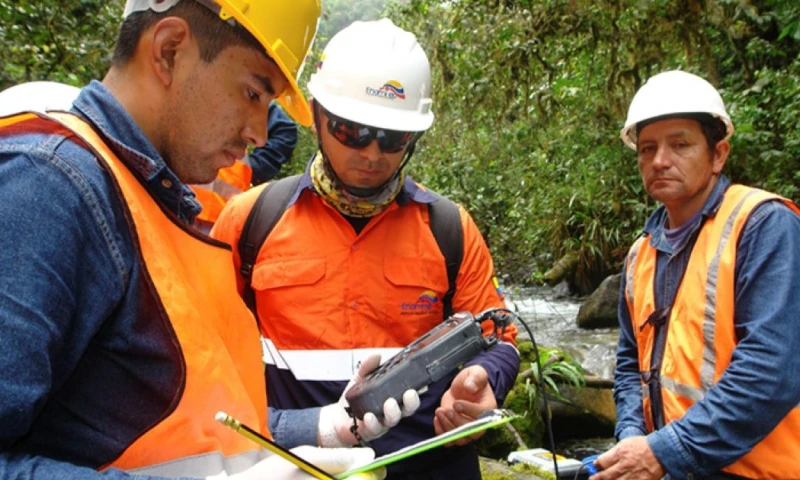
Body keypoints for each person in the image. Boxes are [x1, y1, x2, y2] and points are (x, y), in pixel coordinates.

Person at [0, 0, 386, 478]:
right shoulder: (49, 186)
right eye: (252, 92)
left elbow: (198, 428)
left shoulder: (150, 200)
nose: (260, 134)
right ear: (169, 50)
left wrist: (327, 426)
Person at [211, 18, 520, 480]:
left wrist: (484, 379)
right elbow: (205, 360)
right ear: (317, 114)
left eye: (392, 138)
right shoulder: (250, 222)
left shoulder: (450, 229)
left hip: (430, 467)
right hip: (300, 465)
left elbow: (500, 335)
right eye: (351, 131)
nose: (372, 154)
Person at [593, 70, 800, 480]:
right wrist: (632, 437)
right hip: (676, 467)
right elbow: (631, 364)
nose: (659, 160)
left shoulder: (764, 226)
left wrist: (665, 451)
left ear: (718, 154)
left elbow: (771, 370)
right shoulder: (640, 254)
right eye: (648, 148)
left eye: (680, 144)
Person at [192, 101, 298, 233]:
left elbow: (283, 130)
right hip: (177, 204)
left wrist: (254, 168)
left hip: (224, 216)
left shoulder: (243, 97)